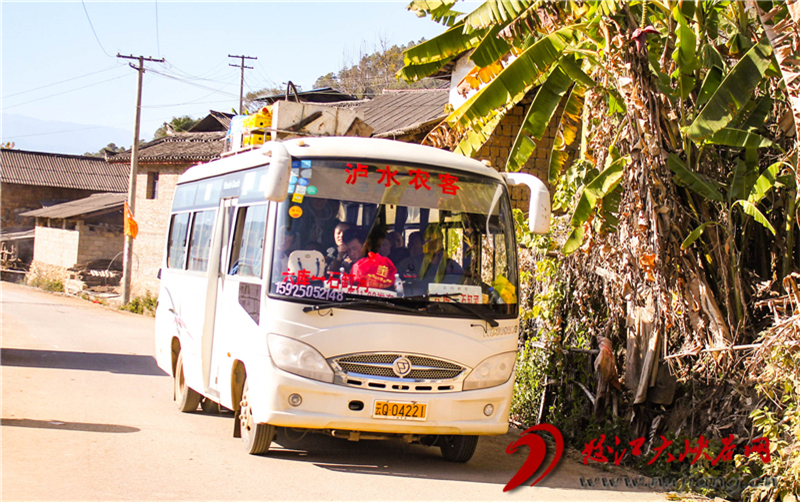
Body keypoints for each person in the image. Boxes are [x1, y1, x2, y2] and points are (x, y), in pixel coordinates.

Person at [397, 225, 462, 289]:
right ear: (423, 242)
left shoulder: (451, 266)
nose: (433, 243)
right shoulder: (408, 264)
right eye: (429, 239)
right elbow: (396, 282)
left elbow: (463, 283)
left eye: (437, 240)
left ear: (441, 242)